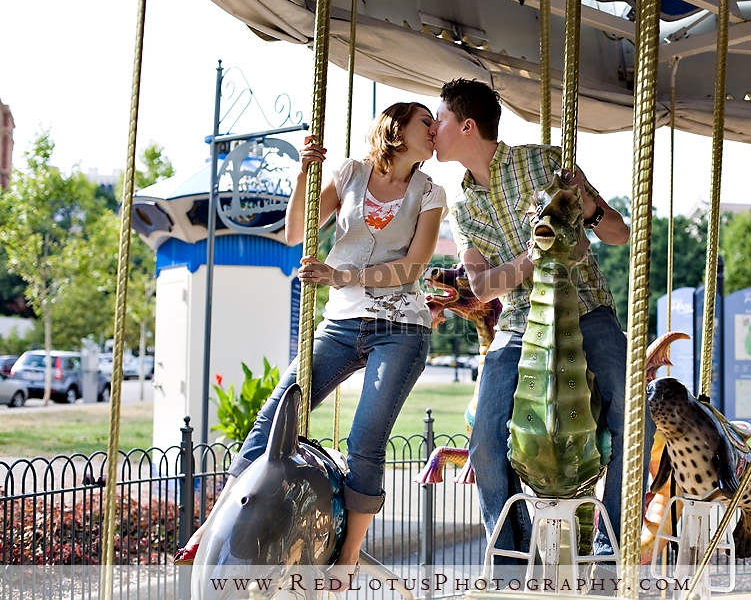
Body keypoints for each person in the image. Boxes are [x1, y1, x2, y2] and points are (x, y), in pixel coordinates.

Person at [174, 102, 447, 589]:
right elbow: (295, 232)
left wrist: (340, 274)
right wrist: (305, 172)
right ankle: (214, 520)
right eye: (426, 121)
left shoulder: (431, 192)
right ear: (396, 126)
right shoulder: (349, 175)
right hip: (343, 323)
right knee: (277, 412)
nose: (434, 131)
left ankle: (347, 555)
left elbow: (412, 267)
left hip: (400, 328)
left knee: (365, 439)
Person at [430, 78, 653, 563]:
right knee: (485, 441)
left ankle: (610, 546)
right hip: (517, 324)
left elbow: (619, 233)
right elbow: (483, 285)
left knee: (637, 419)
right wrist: (536, 260)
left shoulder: (545, 162)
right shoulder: (463, 206)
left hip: (585, 308)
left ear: (467, 126)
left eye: (439, 119)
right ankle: (513, 557)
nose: (432, 128)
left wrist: (590, 209)